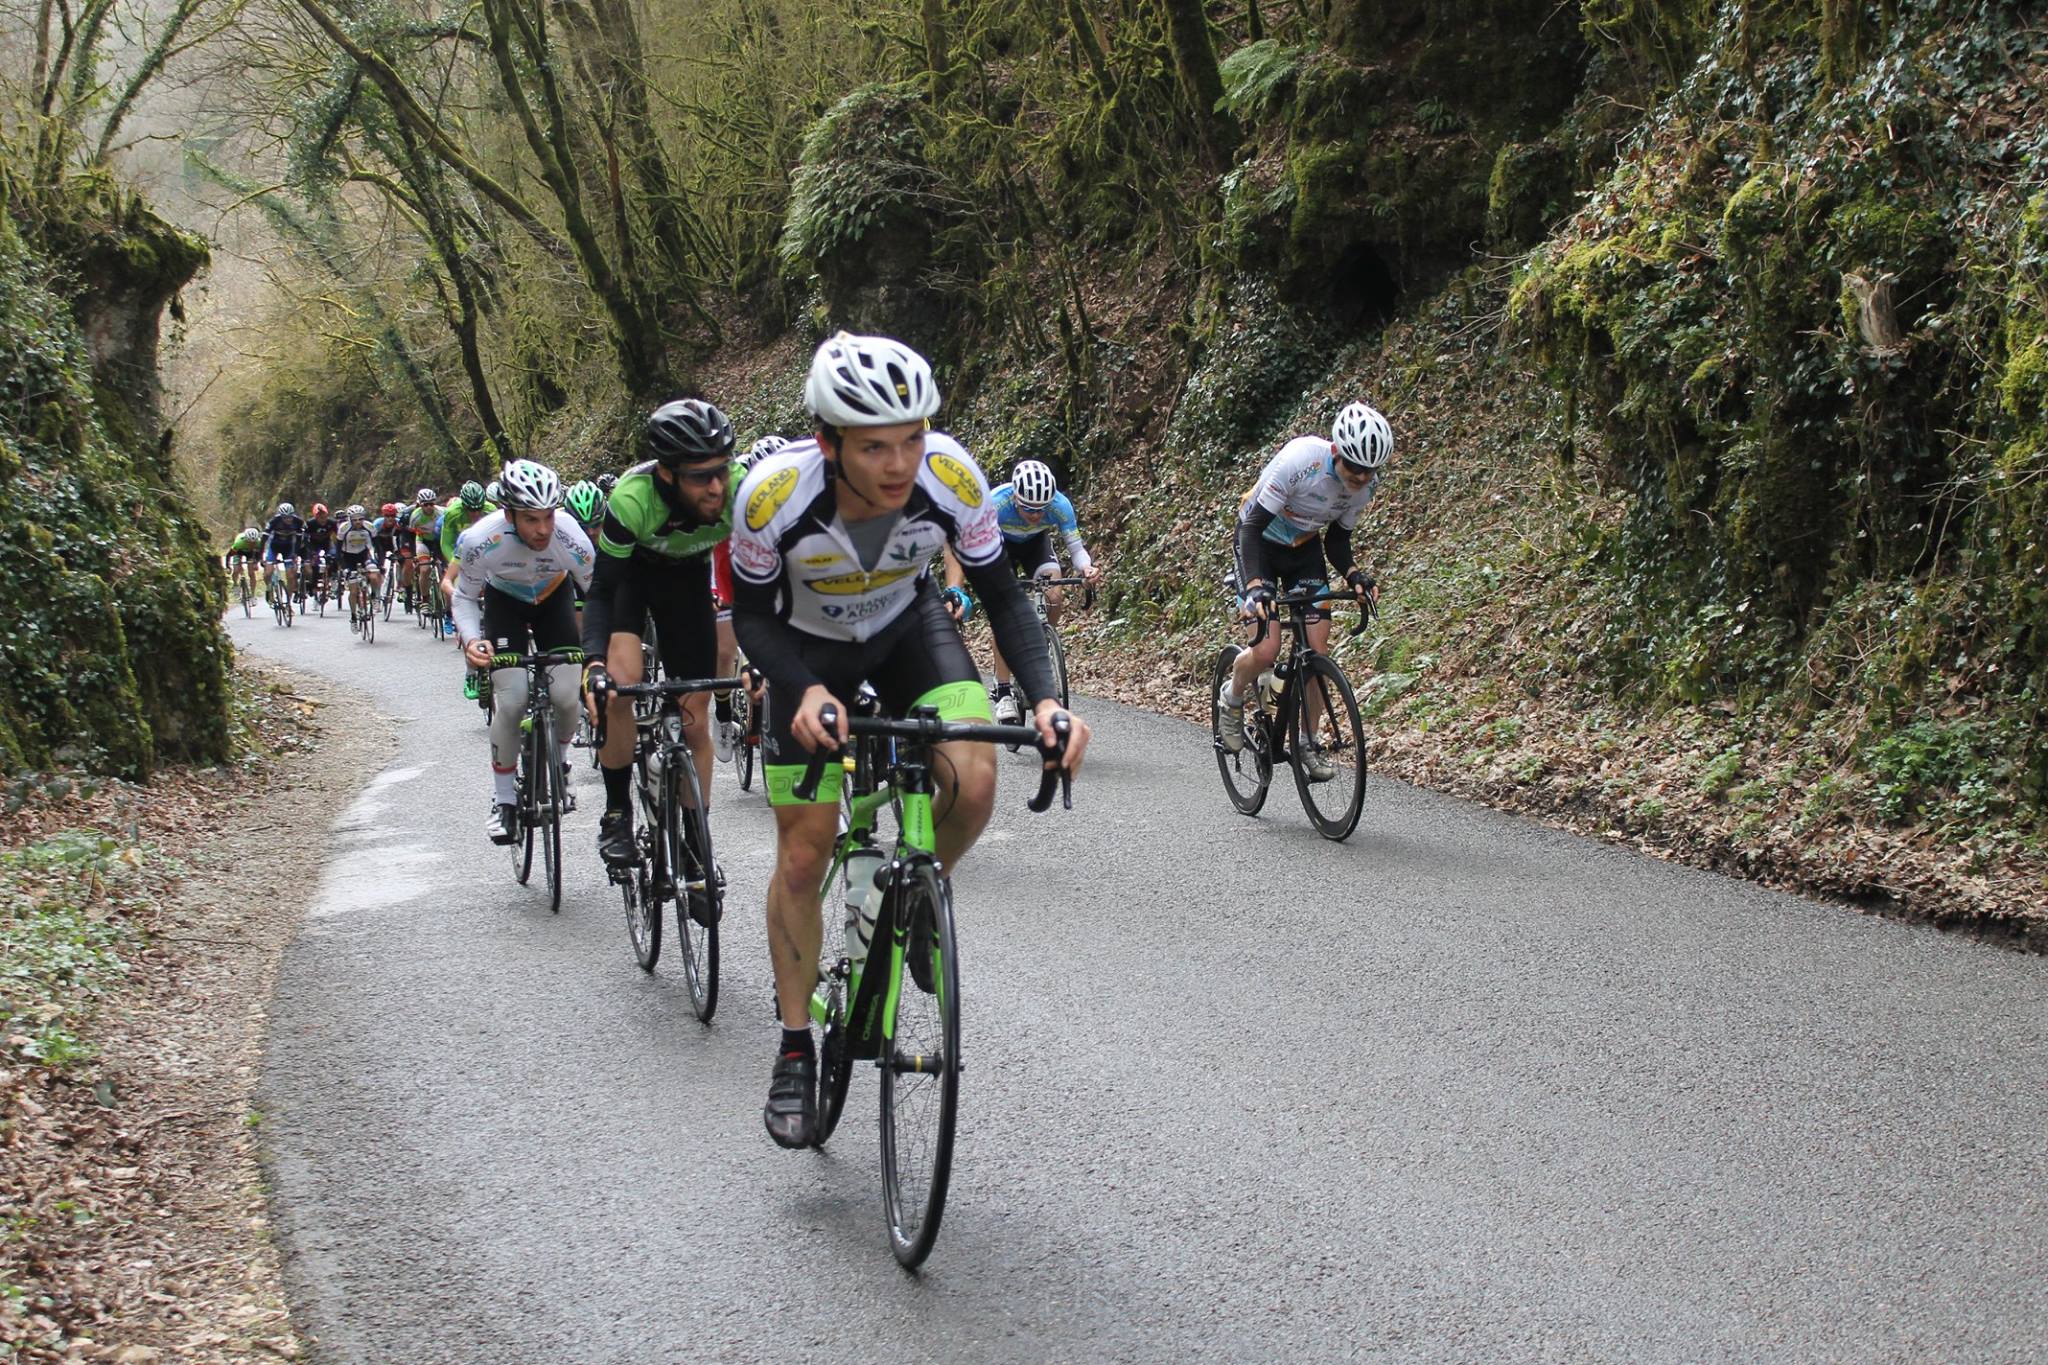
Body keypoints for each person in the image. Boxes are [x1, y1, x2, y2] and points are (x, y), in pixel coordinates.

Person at [730, 330, 1091, 1148]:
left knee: (975, 775)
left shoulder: (953, 478)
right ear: (828, 443)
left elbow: (1002, 594)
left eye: (912, 438)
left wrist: (1043, 699)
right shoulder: (769, 496)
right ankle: (794, 1046)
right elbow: (752, 614)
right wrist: (800, 686)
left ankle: (925, 898)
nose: (899, 464)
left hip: (904, 627)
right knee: (802, 853)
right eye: (874, 446)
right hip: (806, 645)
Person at [579, 399, 737, 878]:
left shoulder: (741, 491)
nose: (715, 486)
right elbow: (603, 589)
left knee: (694, 719)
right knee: (619, 687)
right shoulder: (632, 499)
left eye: (721, 471)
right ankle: (616, 814)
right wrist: (593, 664)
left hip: (687, 580)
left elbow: (764, 575)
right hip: (633, 579)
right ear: (667, 474)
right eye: (699, 476)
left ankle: (694, 841)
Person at [1218, 401, 1391, 776]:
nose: (1361, 478)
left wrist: (1355, 575)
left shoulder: (1364, 488)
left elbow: (1337, 541)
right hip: (1259, 542)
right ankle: (1231, 699)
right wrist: (1255, 588)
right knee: (1266, 649)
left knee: (1316, 650)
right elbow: (1250, 527)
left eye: (1370, 472)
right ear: (1336, 452)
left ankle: (1307, 742)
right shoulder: (1300, 461)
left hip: (1304, 549)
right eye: (1355, 469)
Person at [451, 460, 596, 844]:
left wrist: (599, 647)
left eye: (549, 516)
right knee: (512, 702)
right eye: (531, 519)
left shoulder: (571, 538)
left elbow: (599, 594)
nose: (543, 529)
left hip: (554, 599)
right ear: (509, 513)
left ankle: (561, 764)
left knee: (567, 697)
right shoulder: (481, 539)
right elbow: (465, 597)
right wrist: (470, 640)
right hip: (505, 603)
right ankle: (504, 802)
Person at [946, 459, 1103, 722]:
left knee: (1054, 593)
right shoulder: (996, 504)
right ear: (1016, 498)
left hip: (1035, 545)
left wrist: (1087, 569)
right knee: (1004, 612)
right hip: (999, 546)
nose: (1036, 515)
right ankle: (1003, 690)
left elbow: (1076, 549)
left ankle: (1039, 649)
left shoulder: (1060, 506)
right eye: (1029, 509)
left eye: (1042, 509)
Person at [332, 504, 385, 611]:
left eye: (360, 519)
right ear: (350, 519)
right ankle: (354, 616)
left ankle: (375, 597)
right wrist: (343, 567)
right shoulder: (344, 528)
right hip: (348, 557)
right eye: (354, 519)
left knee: (374, 575)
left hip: (364, 555)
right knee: (354, 589)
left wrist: (380, 563)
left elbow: (378, 547)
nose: (358, 522)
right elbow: (338, 550)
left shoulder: (369, 527)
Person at [261, 501, 306, 599]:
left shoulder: (298, 522)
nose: (288, 519)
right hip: (274, 547)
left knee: (291, 576)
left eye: (290, 517)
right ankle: (269, 588)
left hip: (288, 548)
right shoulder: (274, 521)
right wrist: (261, 556)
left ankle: (288, 603)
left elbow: (298, 540)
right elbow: (264, 539)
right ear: (280, 516)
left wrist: (295, 554)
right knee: (268, 573)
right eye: (285, 517)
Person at [302, 503, 337, 605]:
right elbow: (305, 539)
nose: (323, 519)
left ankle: (332, 578)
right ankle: (314, 588)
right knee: (314, 565)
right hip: (313, 545)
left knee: (333, 557)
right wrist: (312, 553)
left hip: (327, 544)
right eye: (320, 517)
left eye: (324, 517)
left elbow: (339, 536)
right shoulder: (310, 523)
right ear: (315, 516)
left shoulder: (332, 523)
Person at [223, 525, 263, 600]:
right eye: (249, 542)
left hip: (250, 553)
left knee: (251, 573)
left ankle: (253, 595)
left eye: (253, 542)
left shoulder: (258, 542)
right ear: (246, 539)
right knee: (236, 570)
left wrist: (256, 563)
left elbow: (259, 555)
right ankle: (235, 585)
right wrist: (228, 566)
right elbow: (229, 555)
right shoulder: (239, 543)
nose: (251, 544)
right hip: (239, 552)